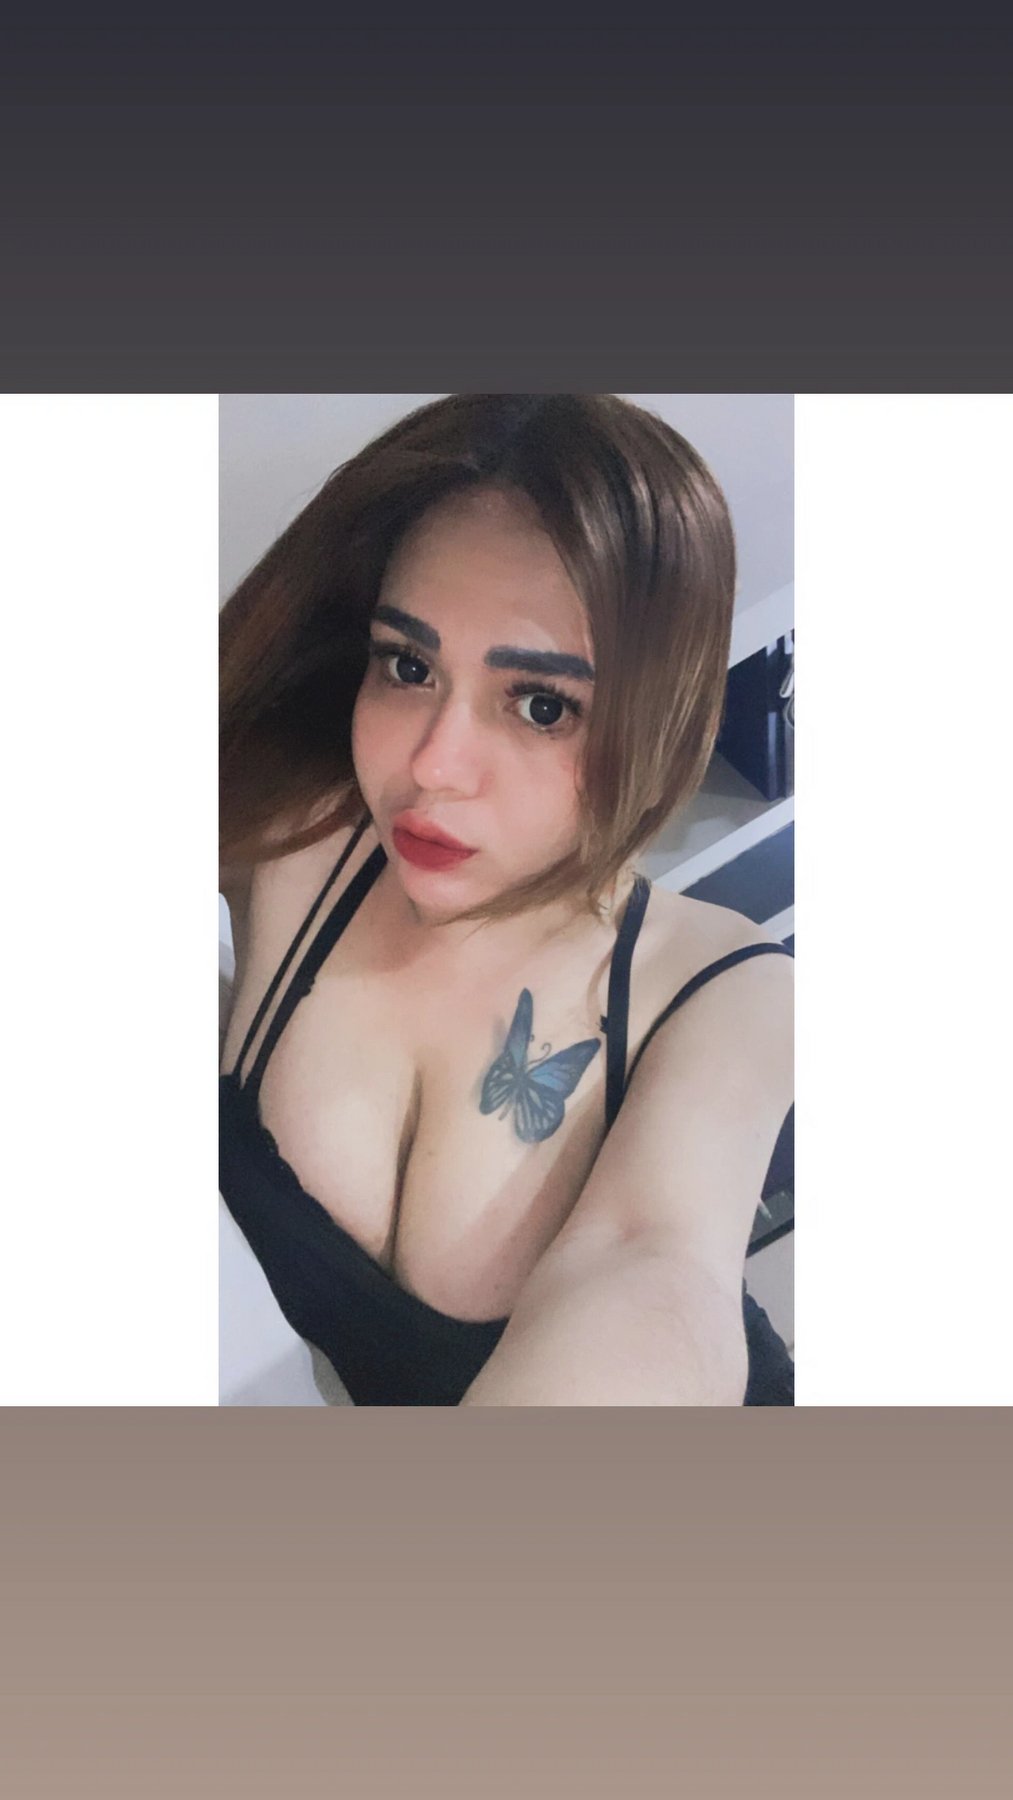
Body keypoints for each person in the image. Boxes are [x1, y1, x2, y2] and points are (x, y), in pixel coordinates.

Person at [219, 393, 794, 1406]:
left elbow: (651, 1267)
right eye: (407, 665)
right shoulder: (294, 837)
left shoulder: (730, 990)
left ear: (658, 721)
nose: (432, 768)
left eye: (540, 705)